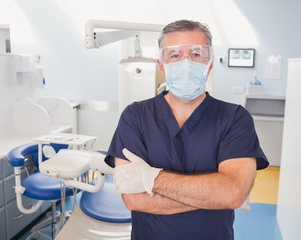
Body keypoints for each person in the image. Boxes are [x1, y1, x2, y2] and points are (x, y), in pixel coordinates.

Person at [105, 19, 269, 240]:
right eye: (174, 55)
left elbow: (233, 194)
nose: (186, 62)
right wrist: (214, 194)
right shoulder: (135, 116)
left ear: (209, 64)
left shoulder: (234, 118)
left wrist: (149, 178)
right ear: (161, 65)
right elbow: (134, 199)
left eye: (196, 54)